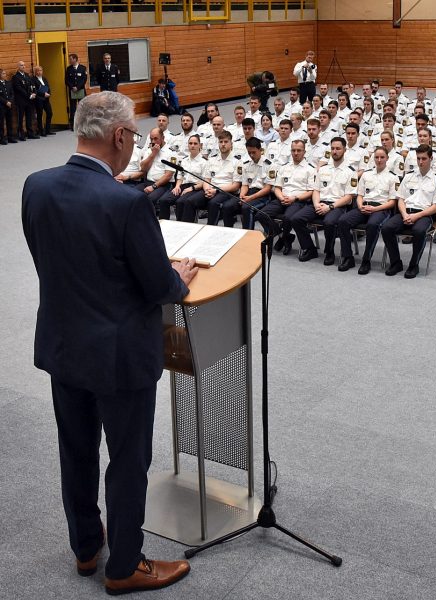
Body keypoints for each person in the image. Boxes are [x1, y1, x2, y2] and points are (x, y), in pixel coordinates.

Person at [21, 91, 195, 595]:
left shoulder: (36, 186)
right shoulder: (126, 202)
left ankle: (85, 548)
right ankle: (123, 565)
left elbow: (49, 259)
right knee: (126, 460)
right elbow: (158, 287)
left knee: (75, 451)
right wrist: (176, 274)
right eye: (134, 136)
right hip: (119, 357)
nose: (133, 143)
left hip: (63, 346)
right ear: (119, 136)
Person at [381, 144, 436, 279]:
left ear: (431, 159)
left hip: (425, 215)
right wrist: (405, 214)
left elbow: (435, 207)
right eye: (418, 159)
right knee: (386, 227)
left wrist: (417, 216)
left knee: (418, 231)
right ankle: (396, 262)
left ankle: (413, 264)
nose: (420, 162)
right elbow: (400, 199)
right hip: (406, 212)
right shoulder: (408, 177)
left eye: (424, 159)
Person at [289, 137, 358, 263]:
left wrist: (330, 207)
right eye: (332, 148)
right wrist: (316, 204)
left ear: (344, 150)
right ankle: (309, 248)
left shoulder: (350, 172)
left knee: (329, 223)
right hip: (319, 203)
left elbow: (349, 197)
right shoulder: (323, 169)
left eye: (338, 148)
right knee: (296, 219)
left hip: (338, 206)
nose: (335, 151)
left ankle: (329, 252)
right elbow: (316, 190)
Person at [337, 147, 399, 273]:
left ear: (387, 158)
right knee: (343, 221)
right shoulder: (366, 174)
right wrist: (360, 206)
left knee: (372, 225)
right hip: (363, 206)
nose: (379, 160)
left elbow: (392, 202)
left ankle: (366, 260)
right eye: (376, 157)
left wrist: (375, 208)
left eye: (382, 157)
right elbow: (359, 195)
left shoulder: (393, 177)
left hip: (381, 209)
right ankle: (348, 257)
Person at [268, 139, 315, 255]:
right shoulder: (284, 167)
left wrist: (295, 198)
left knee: (288, 218)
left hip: (298, 200)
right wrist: (281, 197)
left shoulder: (310, 169)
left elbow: (311, 191)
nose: (296, 153)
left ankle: (283, 238)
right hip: (282, 198)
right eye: (293, 150)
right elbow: (277, 188)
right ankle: (284, 237)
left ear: (304, 152)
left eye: (299, 150)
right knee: (261, 214)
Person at [157, 134, 207, 220]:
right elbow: (180, 176)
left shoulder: (204, 162)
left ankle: (183, 226)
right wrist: (177, 186)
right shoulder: (184, 160)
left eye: (195, 143)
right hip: (182, 186)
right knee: (163, 200)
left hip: (196, 188)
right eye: (190, 143)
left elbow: (205, 180)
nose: (192, 146)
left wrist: (192, 188)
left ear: (200, 145)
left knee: (181, 202)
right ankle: (163, 225)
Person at [12, 60, 36, 141]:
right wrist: (29, 95)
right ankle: (21, 134)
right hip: (21, 100)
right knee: (20, 118)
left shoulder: (27, 75)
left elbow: (32, 85)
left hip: (29, 100)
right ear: (18, 67)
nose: (23, 66)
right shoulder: (15, 77)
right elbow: (19, 89)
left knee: (29, 117)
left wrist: (34, 93)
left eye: (24, 65)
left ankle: (30, 133)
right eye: (21, 65)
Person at [29, 65, 53, 136]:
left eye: (41, 70)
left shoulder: (44, 78)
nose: (40, 72)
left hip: (46, 99)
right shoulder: (33, 79)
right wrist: (43, 94)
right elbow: (35, 90)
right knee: (40, 115)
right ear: (35, 72)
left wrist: (49, 93)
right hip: (39, 99)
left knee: (50, 113)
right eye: (38, 71)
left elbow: (48, 87)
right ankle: (41, 130)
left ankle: (48, 129)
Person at [65, 53, 88, 128]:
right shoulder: (69, 69)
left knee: (82, 106)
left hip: (80, 90)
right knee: (72, 108)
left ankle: (84, 123)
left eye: (70, 59)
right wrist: (72, 87)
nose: (69, 61)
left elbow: (84, 79)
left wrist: (77, 87)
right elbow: (66, 80)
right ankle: (73, 124)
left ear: (75, 59)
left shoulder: (83, 68)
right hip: (72, 91)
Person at [0, 69, 15, 144]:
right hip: (2, 106)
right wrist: (6, 102)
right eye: (3, 73)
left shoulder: (8, 83)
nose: (4, 75)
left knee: (10, 122)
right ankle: (2, 138)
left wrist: (10, 101)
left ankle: (10, 137)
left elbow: (12, 93)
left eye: (5, 73)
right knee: (1, 123)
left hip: (9, 105)